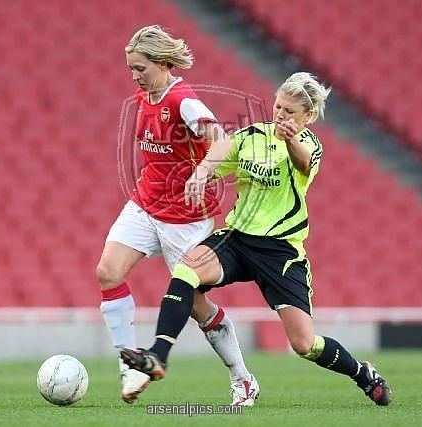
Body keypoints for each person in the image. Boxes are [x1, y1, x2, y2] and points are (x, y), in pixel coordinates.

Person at [120, 72, 392, 406]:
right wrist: (201, 173)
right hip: (236, 238)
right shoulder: (251, 136)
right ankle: (158, 355)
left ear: (307, 117)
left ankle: (362, 373)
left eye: (290, 112)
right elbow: (219, 156)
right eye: (278, 107)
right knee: (185, 271)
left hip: (280, 252)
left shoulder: (308, 144)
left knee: (305, 345)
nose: (280, 115)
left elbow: (305, 165)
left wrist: (291, 140)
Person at [96, 25, 259, 406]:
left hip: (185, 218)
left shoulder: (183, 101)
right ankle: (130, 364)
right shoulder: (144, 95)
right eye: (131, 69)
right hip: (145, 203)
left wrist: (202, 173)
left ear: (163, 63)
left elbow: (221, 139)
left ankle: (243, 378)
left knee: (198, 307)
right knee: (107, 271)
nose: (135, 76)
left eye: (141, 68)